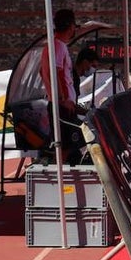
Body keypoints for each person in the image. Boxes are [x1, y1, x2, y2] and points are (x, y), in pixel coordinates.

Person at [39, 8, 86, 165]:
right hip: (62, 105)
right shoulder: (58, 46)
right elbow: (58, 72)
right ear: (71, 26)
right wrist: (64, 98)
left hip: (60, 103)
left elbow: (42, 72)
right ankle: (59, 176)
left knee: (68, 145)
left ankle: (62, 172)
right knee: (66, 146)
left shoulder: (51, 46)